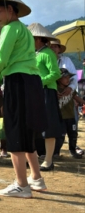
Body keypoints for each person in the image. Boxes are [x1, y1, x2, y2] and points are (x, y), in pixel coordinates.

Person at [0, 0, 47, 197]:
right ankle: (36, 178)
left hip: (18, 82)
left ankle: (22, 185)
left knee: (14, 131)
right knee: (25, 132)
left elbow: (2, 58)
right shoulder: (24, 30)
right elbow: (11, 62)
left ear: (9, 9)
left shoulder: (9, 29)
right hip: (30, 82)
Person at [29, 22, 62, 171]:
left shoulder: (48, 53)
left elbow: (56, 73)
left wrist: (39, 82)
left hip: (46, 92)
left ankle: (48, 161)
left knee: (48, 127)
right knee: (33, 126)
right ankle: (33, 158)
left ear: (38, 39)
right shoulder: (34, 54)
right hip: (35, 93)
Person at [49, 40, 81, 157]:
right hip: (52, 96)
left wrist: (70, 88)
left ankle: (73, 149)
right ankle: (54, 151)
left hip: (68, 96)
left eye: (55, 47)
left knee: (72, 129)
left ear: (59, 49)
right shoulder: (45, 59)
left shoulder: (66, 60)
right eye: (50, 46)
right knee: (58, 131)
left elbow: (74, 78)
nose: (53, 48)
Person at [56, 68, 83, 158]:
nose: (68, 80)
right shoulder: (55, 89)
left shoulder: (70, 89)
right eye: (66, 78)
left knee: (73, 135)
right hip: (60, 118)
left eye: (69, 78)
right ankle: (56, 152)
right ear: (59, 79)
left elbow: (77, 98)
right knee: (60, 137)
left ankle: (72, 151)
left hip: (71, 116)